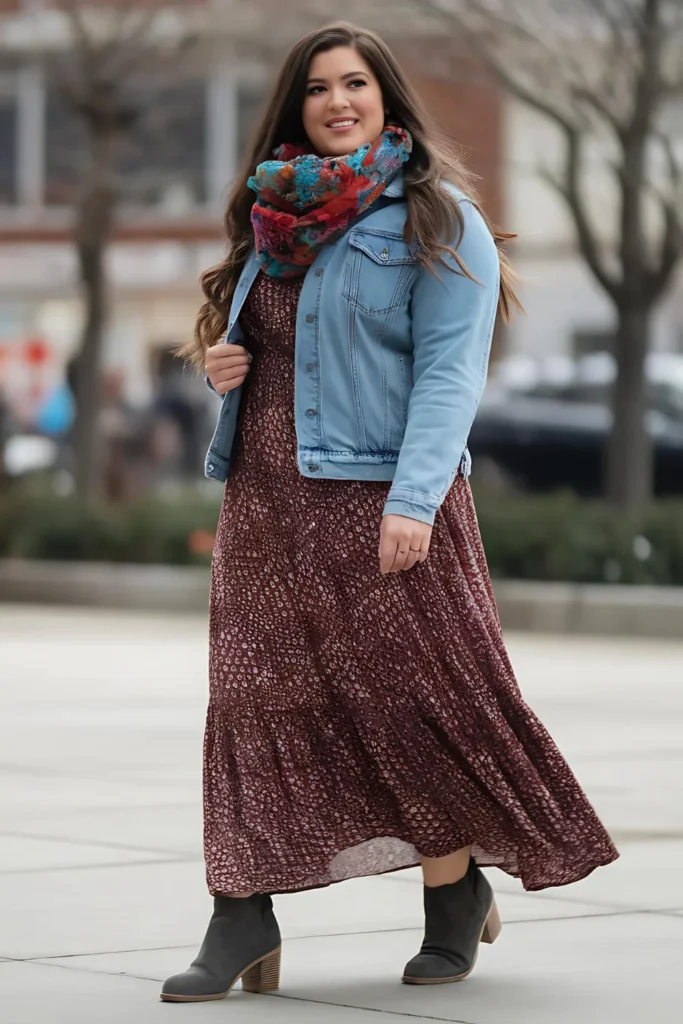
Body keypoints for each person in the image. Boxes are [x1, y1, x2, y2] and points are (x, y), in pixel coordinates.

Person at [161, 21, 618, 1004]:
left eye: (354, 83)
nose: (336, 101)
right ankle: (240, 908)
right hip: (267, 498)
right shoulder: (273, 213)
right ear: (296, 107)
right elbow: (273, 351)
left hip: (381, 500)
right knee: (250, 701)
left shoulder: (434, 220)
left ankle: (450, 891)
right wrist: (222, 366)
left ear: (385, 97)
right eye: (318, 87)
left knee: (408, 708)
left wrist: (413, 502)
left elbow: (450, 380)